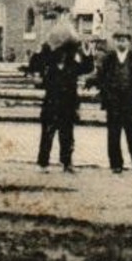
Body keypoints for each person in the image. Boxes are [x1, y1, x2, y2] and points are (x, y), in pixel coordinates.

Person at [37, 23, 94, 173]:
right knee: (47, 135)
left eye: (65, 52)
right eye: (60, 52)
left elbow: (88, 68)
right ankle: (43, 163)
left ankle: (67, 163)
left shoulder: (72, 65)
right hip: (51, 105)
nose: (62, 55)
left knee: (67, 135)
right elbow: (37, 65)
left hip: (68, 106)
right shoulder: (49, 66)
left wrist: (87, 53)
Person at [96, 29, 132, 175]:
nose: (121, 42)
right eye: (118, 39)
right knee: (113, 134)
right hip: (113, 104)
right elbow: (102, 80)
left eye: (124, 39)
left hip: (130, 103)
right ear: (114, 42)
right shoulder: (108, 59)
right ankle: (116, 164)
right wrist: (108, 95)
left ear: (129, 42)